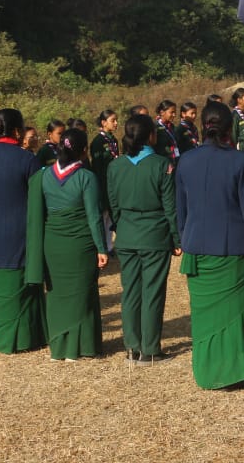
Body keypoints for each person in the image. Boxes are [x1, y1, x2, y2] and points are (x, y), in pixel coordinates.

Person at [175, 100, 244, 390]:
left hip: (197, 247)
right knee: (236, 313)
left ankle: (208, 372)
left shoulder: (185, 160)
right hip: (231, 249)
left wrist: (183, 238)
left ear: (203, 127)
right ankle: (235, 372)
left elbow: (181, 208)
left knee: (204, 318)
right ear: (230, 128)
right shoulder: (239, 161)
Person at [106, 114, 180, 364]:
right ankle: (150, 349)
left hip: (126, 235)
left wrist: (122, 226)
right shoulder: (162, 164)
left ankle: (131, 347)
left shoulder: (115, 166)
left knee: (130, 292)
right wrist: (176, 239)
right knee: (152, 292)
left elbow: (113, 205)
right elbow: (171, 206)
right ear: (151, 135)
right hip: (155, 235)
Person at [30, 128, 108, 361]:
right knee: (82, 294)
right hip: (80, 244)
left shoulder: (43, 176)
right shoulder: (86, 177)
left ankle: (59, 346)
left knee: (56, 295)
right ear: (84, 151)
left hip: (52, 243)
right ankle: (81, 346)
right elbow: (94, 217)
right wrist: (102, 248)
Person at [0, 108, 47, 354]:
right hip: (19, 235)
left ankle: (3, 338)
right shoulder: (27, 160)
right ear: (17, 131)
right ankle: (24, 338)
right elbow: (39, 201)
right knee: (22, 290)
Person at [90, 109, 121, 252]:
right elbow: (97, 167)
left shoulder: (113, 140)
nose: (116, 123)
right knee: (103, 216)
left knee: (110, 216)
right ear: (103, 123)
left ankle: (109, 247)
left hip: (114, 183)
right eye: (112, 120)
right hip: (103, 184)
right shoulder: (97, 142)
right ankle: (100, 247)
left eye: (116, 120)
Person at [153, 99, 182, 167]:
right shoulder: (155, 127)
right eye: (171, 112)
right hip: (163, 163)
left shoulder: (171, 126)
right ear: (162, 112)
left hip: (175, 160)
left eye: (175, 112)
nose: (174, 115)